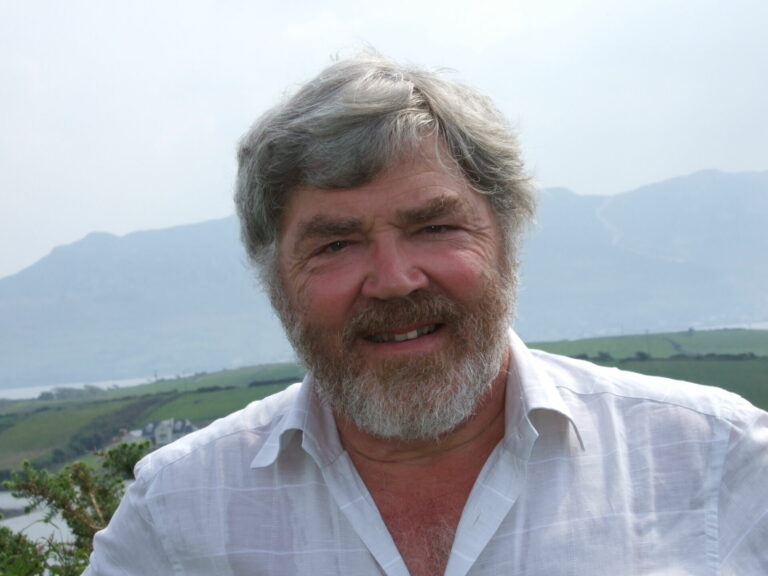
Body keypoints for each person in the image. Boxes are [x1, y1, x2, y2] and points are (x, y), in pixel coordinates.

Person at [84, 53, 768, 576]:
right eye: (336, 244)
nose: (393, 281)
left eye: (435, 227)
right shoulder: (175, 517)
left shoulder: (718, 462)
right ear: (274, 279)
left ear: (507, 241)